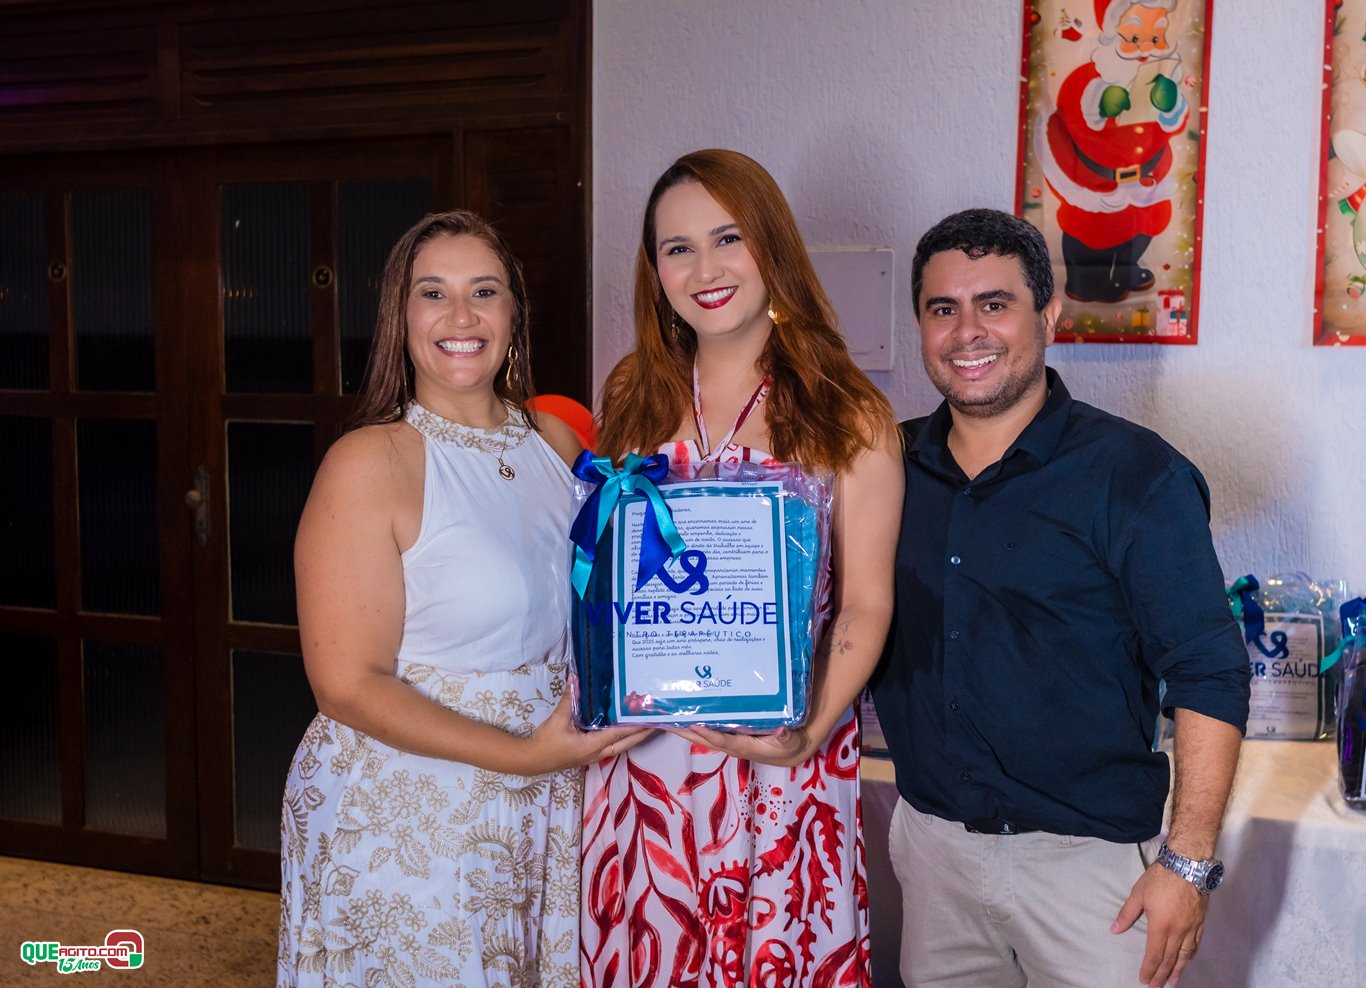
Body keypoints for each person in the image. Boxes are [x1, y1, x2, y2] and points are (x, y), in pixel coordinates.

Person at [872, 208, 1248, 988]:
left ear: (1047, 315)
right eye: (944, 309)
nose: (967, 332)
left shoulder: (1135, 475)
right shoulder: (883, 466)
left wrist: (1188, 863)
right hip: (934, 856)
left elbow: (1210, 671)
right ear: (921, 325)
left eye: (994, 304)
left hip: (1090, 877)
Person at [278, 210, 649, 987]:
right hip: (412, 812)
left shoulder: (556, 441)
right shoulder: (369, 462)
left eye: (484, 291)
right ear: (400, 315)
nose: (461, 317)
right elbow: (346, 684)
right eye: (433, 293)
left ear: (514, 311)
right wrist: (527, 756)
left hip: (548, 800)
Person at [581, 149, 903, 987]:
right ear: (655, 272)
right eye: (677, 248)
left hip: (782, 763)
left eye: (728, 238)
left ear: (772, 245)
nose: (706, 269)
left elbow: (866, 605)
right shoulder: (631, 394)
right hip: (644, 761)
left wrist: (806, 732)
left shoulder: (848, 412)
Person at [1038, 0, 1190, 302]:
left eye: (1156, 37)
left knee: (1142, 228)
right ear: (1110, 35)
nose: (1146, 47)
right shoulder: (1088, 80)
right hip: (1099, 184)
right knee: (1090, 234)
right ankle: (1084, 283)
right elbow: (1067, 116)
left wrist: (1170, 107)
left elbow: (1169, 128)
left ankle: (1127, 269)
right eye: (1134, 37)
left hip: (1143, 183)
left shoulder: (1158, 77)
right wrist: (1100, 107)